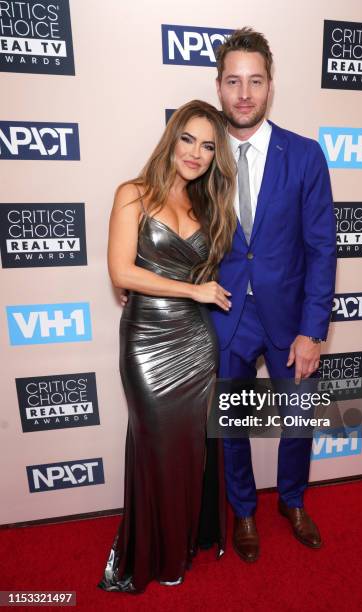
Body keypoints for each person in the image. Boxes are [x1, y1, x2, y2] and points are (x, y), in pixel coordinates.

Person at [209, 28, 337, 562]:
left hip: (290, 318)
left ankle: (292, 501)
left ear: (270, 86)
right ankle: (242, 510)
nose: (244, 93)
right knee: (233, 426)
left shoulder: (305, 156)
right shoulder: (201, 155)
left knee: (300, 419)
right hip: (227, 313)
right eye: (234, 81)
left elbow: (322, 247)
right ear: (218, 87)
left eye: (255, 81)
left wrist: (313, 330)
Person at [98, 99, 237, 592]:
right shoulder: (132, 193)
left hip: (196, 345)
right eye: (188, 139)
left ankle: (182, 542)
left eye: (208, 146)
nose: (196, 153)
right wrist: (192, 290)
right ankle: (152, 549)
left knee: (189, 451)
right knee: (156, 447)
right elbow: (121, 272)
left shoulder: (208, 206)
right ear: (171, 138)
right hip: (147, 342)